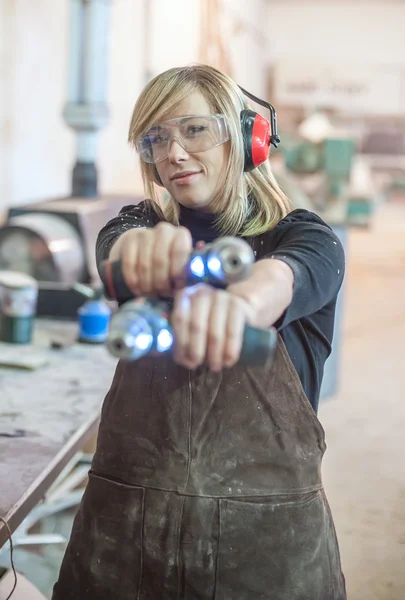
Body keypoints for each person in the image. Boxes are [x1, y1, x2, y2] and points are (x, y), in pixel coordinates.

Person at [52, 64, 346, 599]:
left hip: (265, 548)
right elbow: (117, 252)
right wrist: (135, 255)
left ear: (245, 136)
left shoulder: (304, 238)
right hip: (123, 536)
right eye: (156, 138)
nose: (174, 153)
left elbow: (281, 278)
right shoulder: (136, 227)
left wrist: (242, 305)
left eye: (193, 129)